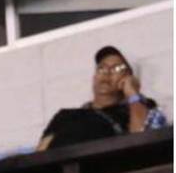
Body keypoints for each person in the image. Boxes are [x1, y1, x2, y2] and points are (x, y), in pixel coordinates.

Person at [39, 45, 169, 151]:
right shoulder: (65, 115)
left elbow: (143, 141)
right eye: (101, 67)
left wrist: (132, 93)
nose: (107, 73)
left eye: (117, 68)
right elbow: (39, 155)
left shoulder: (141, 108)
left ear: (130, 77)